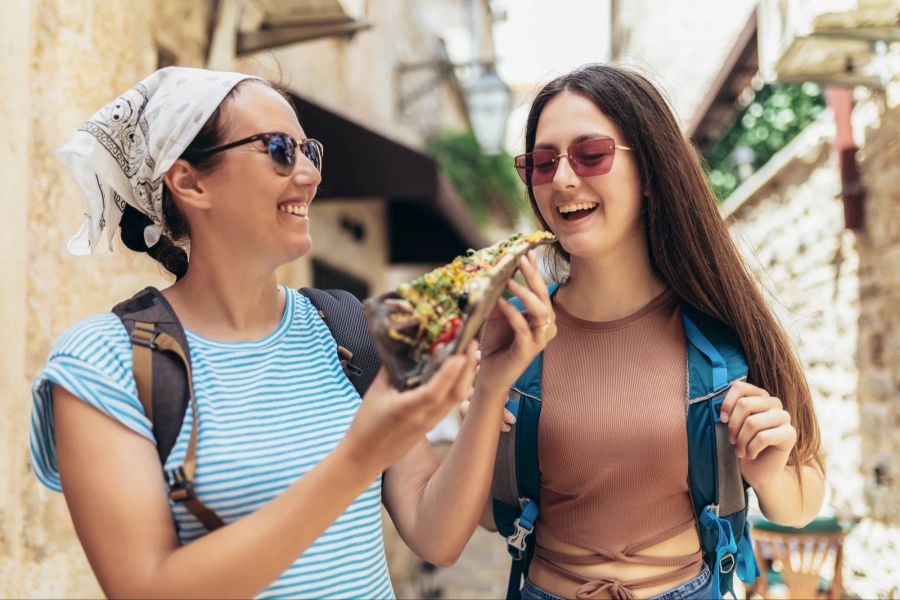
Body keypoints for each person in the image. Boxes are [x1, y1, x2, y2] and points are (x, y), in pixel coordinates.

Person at [29, 66, 556, 599]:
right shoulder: (104, 360)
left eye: (310, 152)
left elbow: (435, 534)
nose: (309, 174)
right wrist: (357, 458)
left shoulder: (341, 326)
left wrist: (490, 387)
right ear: (189, 180)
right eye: (280, 149)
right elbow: (144, 589)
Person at [469, 64, 825, 600]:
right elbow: (486, 518)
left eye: (592, 154)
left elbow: (801, 502)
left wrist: (768, 472)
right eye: (543, 163)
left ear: (651, 173)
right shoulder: (513, 340)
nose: (564, 179)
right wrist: (473, 425)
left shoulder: (724, 335)